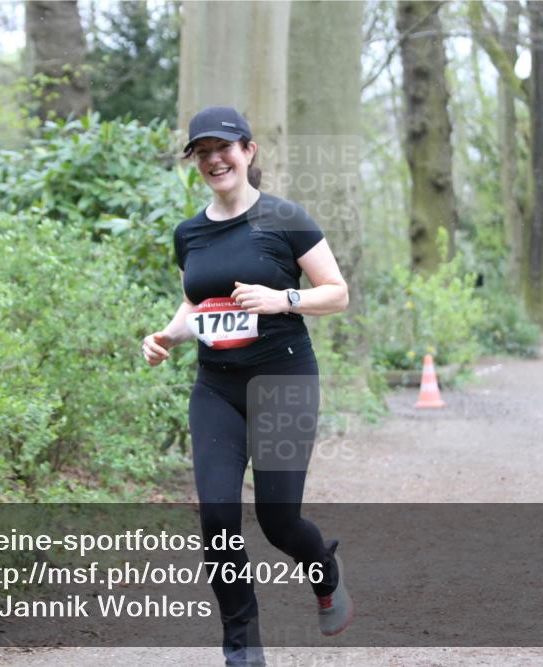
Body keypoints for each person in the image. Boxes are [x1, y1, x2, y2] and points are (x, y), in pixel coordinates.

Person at [141, 106, 353, 666]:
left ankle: (323, 569)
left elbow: (336, 292)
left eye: (224, 148)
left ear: (248, 152)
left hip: (283, 377)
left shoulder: (285, 219)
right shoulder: (189, 233)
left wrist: (284, 298)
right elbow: (195, 304)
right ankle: (242, 647)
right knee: (216, 517)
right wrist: (165, 335)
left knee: (279, 518)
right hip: (217, 387)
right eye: (202, 152)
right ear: (195, 162)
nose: (214, 159)